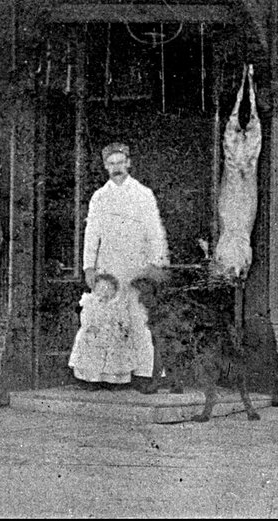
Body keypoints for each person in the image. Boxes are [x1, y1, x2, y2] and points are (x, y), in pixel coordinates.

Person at [75, 142, 169, 392]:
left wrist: (155, 264)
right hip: (108, 267)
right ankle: (102, 375)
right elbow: (91, 233)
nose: (116, 168)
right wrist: (89, 267)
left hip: (136, 267)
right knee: (104, 319)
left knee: (139, 319)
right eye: (111, 163)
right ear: (105, 166)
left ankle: (143, 374)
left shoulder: (143, 194)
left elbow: (155, 232)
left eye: (120, 162)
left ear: (128, 163)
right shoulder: (99, 197)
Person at [69, 272, 136, 386]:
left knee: (116, 353)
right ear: (95, 289)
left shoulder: (117, 305)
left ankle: (112, 380)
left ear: (115, 290)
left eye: (109, 288)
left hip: (113, 333)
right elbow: (86, 317)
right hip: (95, 332)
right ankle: (92, 380)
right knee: (92, 354)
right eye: (101, 288)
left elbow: (123, 318)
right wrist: (91, 327)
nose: (104, 291)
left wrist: (123, 327)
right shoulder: (91, 303)